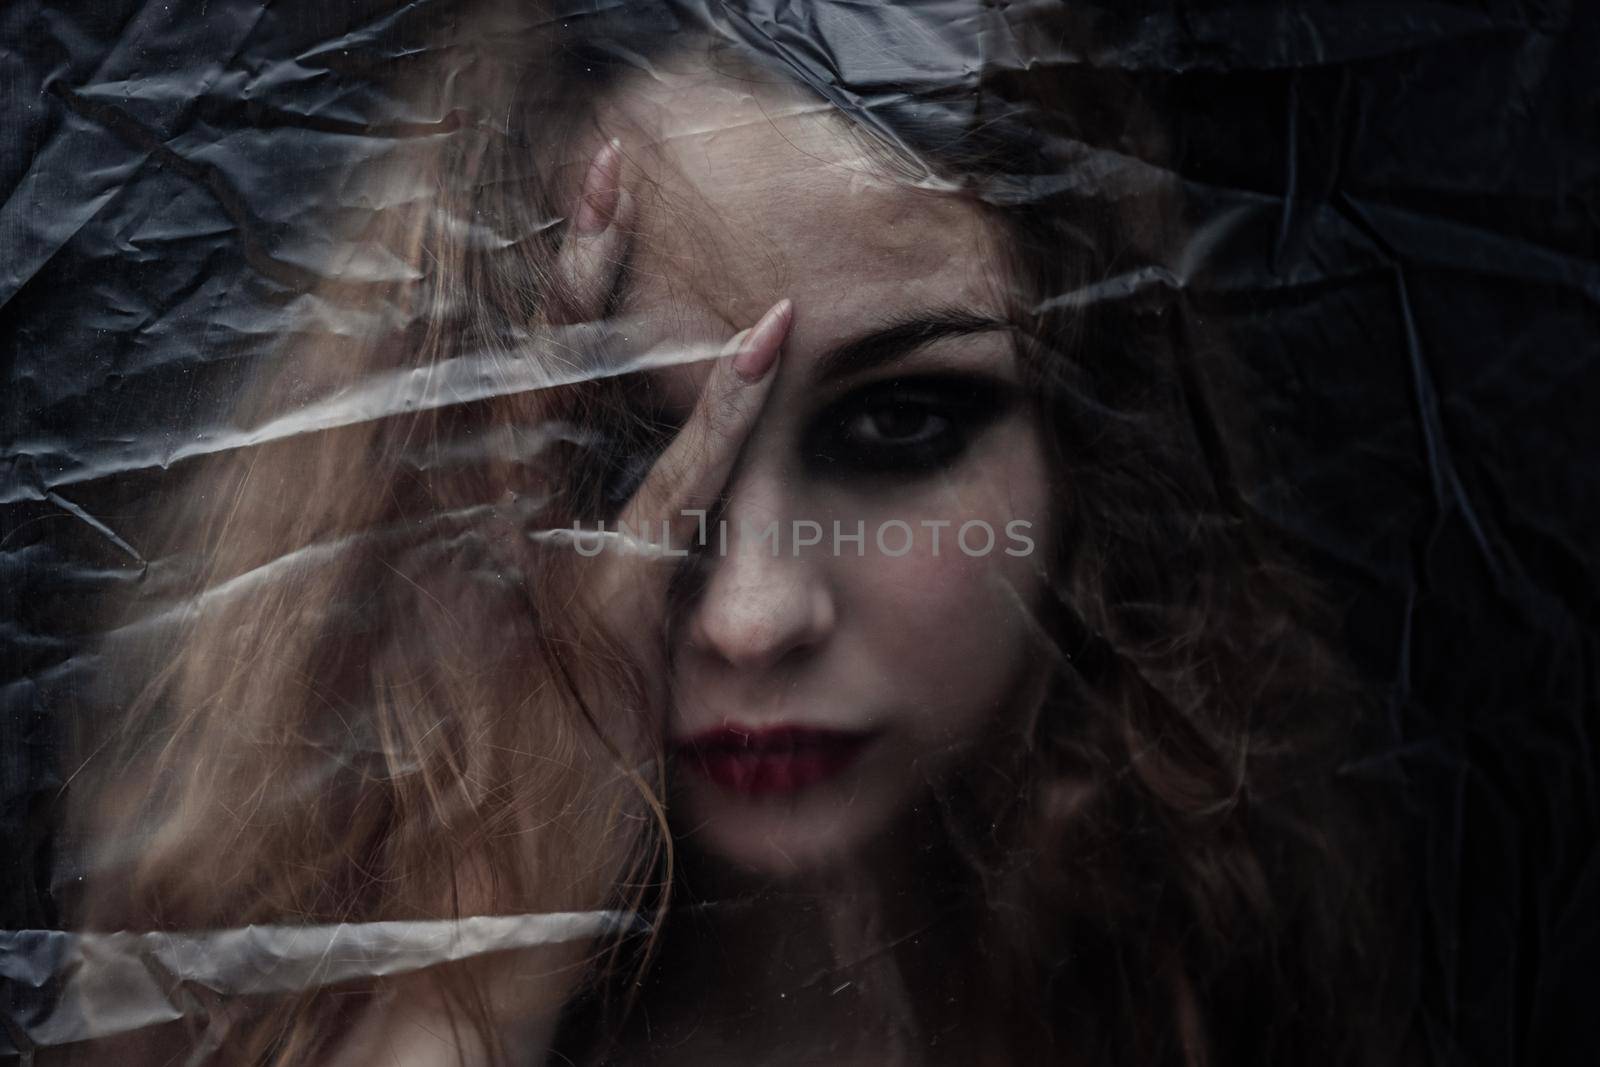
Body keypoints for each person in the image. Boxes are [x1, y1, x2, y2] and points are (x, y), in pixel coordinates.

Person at [60, 2, 1404, 1064]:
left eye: (902, 428)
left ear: (1088, 449)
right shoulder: (208, 1010)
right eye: (625, 450)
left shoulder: (1233, 984)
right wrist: (468, 971)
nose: (755, 617)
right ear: (426, 483)